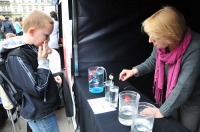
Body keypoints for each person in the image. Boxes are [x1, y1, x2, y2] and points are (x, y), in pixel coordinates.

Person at [119, 6, 200, 132]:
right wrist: (134, 70)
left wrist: (162, 111)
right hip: (172, 94)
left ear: (170, 36)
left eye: (154, 38)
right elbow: (153, 60)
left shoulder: (196, 47)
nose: (150, 41)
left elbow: (184, 87)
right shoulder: (162, 43)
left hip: (192, 101)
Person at [0, 10, 62, 132]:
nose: (48, 39)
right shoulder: (17, 56)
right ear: (32, 31)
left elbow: (34, 76)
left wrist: (50, 79)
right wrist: (43, 61)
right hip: (40, 112)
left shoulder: (29, 49)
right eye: (46, 35)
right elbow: (37, 88)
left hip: (42, 110)